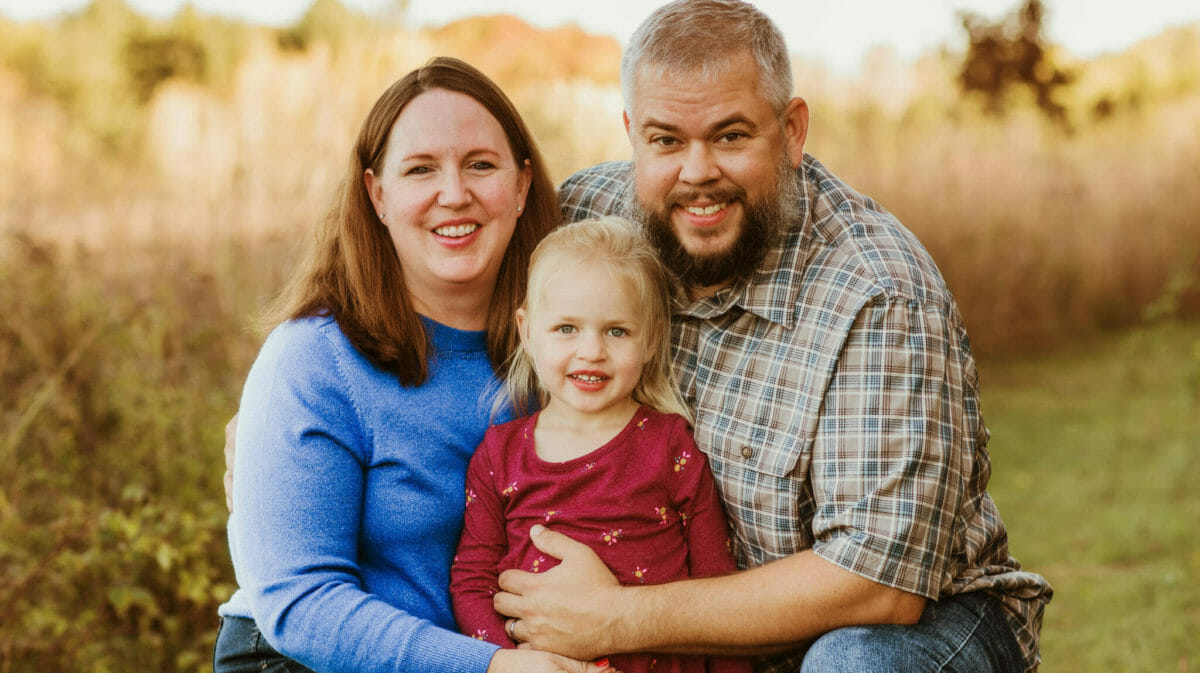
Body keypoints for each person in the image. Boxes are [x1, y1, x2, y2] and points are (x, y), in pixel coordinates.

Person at [490, 2, 1053, 672]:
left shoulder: (877, 294)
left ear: (790, 131)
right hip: (667, 638)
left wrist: (618, 620)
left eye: (730, 136)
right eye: (666, 140)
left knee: (852, 663)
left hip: (922, 629)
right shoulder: (589, 223)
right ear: (632, 133)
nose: (696, 172)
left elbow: (877, 587)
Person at [215, 56, 611, 673]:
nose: (454, 194)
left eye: (481, 165)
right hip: (302, 660)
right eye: (420, 169)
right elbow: (298, 602)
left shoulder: (567, 351)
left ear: (523, 183)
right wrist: (492, 668)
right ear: (377, 194)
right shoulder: (314, 360)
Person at [450, 216, 752, 673]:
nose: (591, 351)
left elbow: (715, 585)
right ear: (527, 331)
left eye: (617, 331)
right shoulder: (500, 453)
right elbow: (472, 580)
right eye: (567, 328)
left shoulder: (670, 446)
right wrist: (508, 661)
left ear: (650, 338)